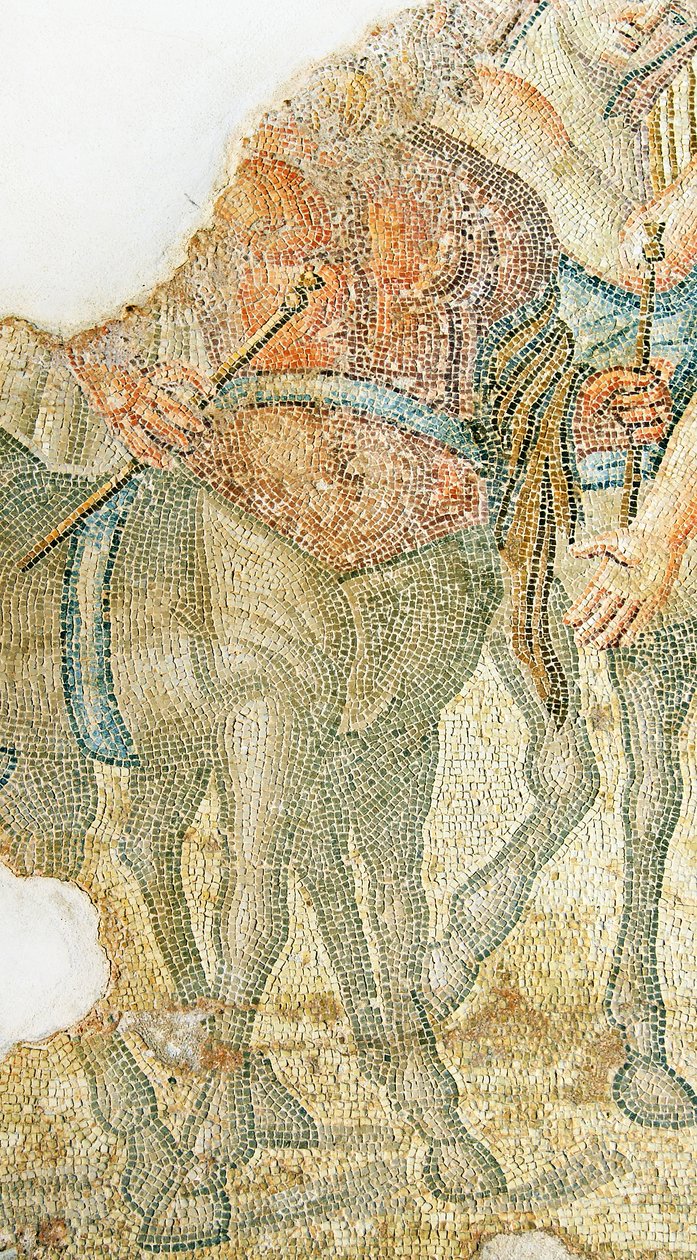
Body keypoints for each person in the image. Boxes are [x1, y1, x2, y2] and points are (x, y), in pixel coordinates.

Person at [0, 0, 671, 1248]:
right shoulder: (231, 146)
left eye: (467, 19)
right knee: (256, 852)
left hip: (430, 564)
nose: (441, 33)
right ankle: (218, 1118)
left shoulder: (500, 208)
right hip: (260, 519)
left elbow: (518, 385)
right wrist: (122, 378)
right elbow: (86, 274)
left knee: (391, 857)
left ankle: (404, 1074)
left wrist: (587, 408)